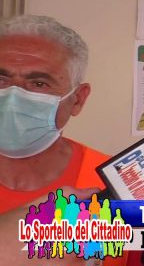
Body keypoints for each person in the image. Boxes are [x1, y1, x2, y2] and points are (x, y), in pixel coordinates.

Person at [0, 15, 112, 264]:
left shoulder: (113, 183)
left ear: (78, 99)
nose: (13, 97)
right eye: (1, 80)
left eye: (39, 83)